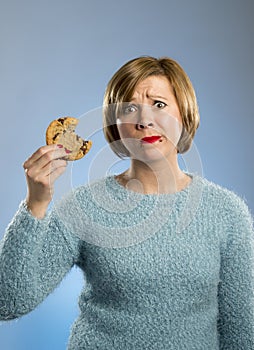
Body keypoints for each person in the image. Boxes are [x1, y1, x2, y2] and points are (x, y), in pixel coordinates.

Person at [0, 56, 253, 349]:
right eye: (130, 108)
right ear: (116, 124)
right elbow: (9, 301)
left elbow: (241, 334)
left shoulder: (227, 213)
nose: (144, 120)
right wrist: (36, 202)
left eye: (159, 104)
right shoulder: (85, 206)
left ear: (183, 113)